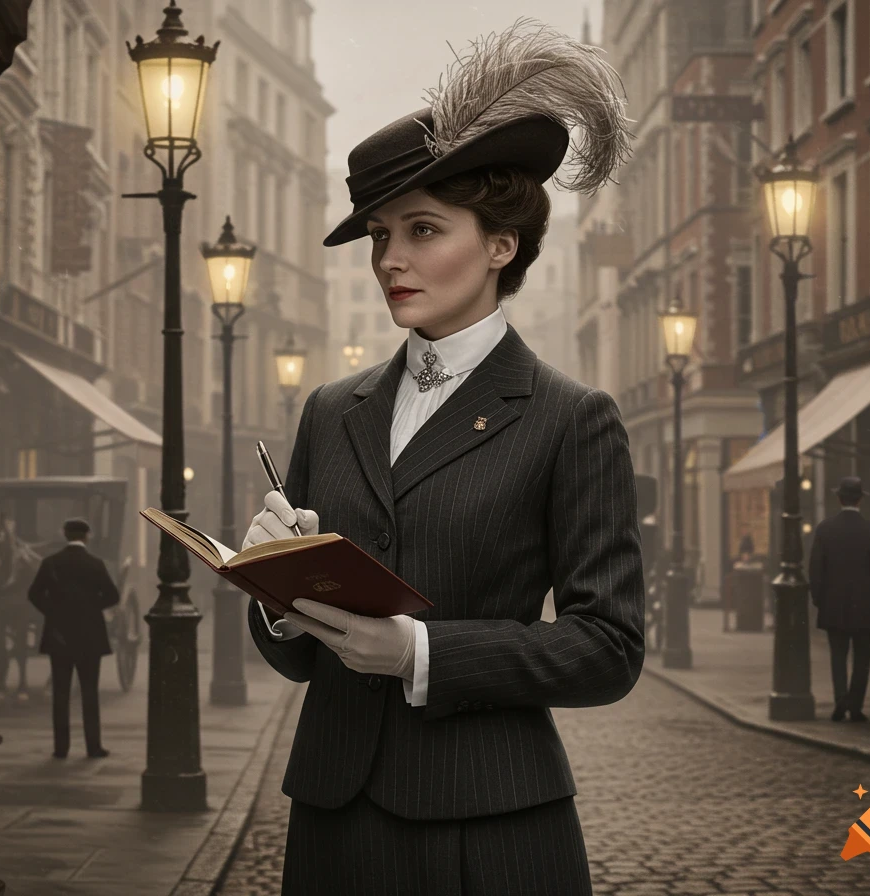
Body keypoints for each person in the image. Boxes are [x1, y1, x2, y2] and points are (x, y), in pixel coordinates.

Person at [242, 20, 643, 895]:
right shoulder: (330, 408)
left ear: (501, 245)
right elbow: (301, 657)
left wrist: (422, 654)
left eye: (423, 230)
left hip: (489, 826)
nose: (391, 259)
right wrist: (276, 590)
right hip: (332, 822)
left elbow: (608, 648)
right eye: (381, 236)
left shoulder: (572, 419)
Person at [27, 518, 120, 759]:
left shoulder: (51, 563)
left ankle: (61, 748)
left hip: (59, 635)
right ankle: (93, 746)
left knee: (61, 693)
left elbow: (34, 594)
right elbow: (112, 595)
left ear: (64, 535)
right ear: (87, 536)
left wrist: (53, 611)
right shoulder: (96, 564)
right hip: (90, 636)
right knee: (89, 693)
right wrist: (90, 608)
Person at [808, 477, 870, 723]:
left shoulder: (825, 528)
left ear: (838, 498)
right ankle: (855, 706)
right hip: (867, 607)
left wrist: (818, 599)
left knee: (837, 655)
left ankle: (839, 702)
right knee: (862, 659)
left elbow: (816, 569)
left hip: (833, 605)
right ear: (860, 500)